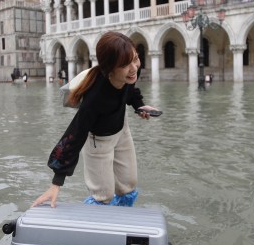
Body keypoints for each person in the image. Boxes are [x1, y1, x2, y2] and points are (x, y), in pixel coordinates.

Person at [32, 31, 159, 209]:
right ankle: (96, 219)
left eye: (135, 59)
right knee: (103, 195)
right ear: (110, 68)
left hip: (121, 130)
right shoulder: (95, 98)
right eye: (125, 64)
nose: (134, 68)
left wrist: (140, 106)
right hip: (98, 142)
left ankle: (121, 217)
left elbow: (130, 91)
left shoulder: (126, 76)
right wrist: (56, 183)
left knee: (128, 185)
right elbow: (75, 135)